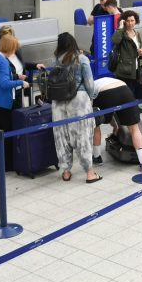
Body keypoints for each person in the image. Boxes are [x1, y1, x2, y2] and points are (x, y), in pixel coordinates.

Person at [50, 32, 101, 183]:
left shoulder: (56, 60)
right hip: (78, 100)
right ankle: (90, 173)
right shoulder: (82, 59)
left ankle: (66, 171)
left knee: (62, 135)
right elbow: (90, 84)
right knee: (83, 136)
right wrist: (91, 97)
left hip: (58, 102)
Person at [0, 34, 34, 170]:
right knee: (7, 132)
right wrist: (21, 82)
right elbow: (4, 83)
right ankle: (7, 163)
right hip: (4, 102)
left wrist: (15, 75)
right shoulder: (3, 61)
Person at [91, 76, 142, 170]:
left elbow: (104, 110)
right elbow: (113, 109)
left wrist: (113, 124)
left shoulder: (90, 86)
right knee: (134, 128)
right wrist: (115, 125)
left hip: (105, 93)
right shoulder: (106, 80)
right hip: (125, 90)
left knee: (95, 126)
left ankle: (97, 157)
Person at [111, 9, 142, 97]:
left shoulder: (137, 33)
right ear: (124, 21)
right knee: (125, 94)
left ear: (136, 21)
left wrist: (141, 52)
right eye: (128, 21)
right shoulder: (121, 33)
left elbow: (139, 47)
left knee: (132, 92)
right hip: (124, 70)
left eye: (132, 20)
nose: (130, 23)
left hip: (135, 68)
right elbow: (115, 40)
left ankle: (131, 108)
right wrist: (120, 27)